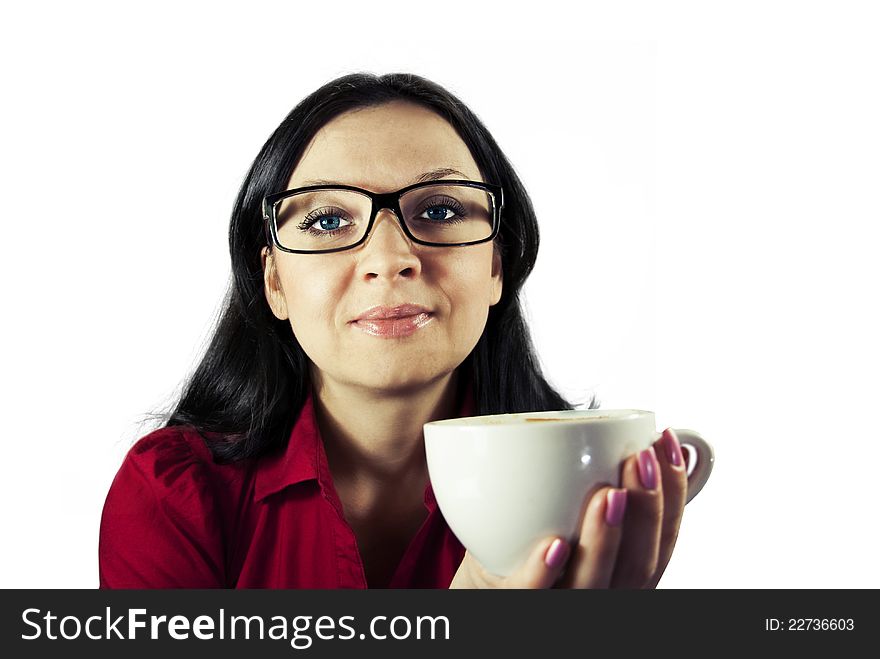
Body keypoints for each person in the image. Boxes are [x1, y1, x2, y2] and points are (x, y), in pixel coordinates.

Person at [99, 72, 689, 589]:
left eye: (439, 211)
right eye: (328, 219)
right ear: (274, 281)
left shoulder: (587, 483)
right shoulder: (172, 494)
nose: (390, 258)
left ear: (495, 265)